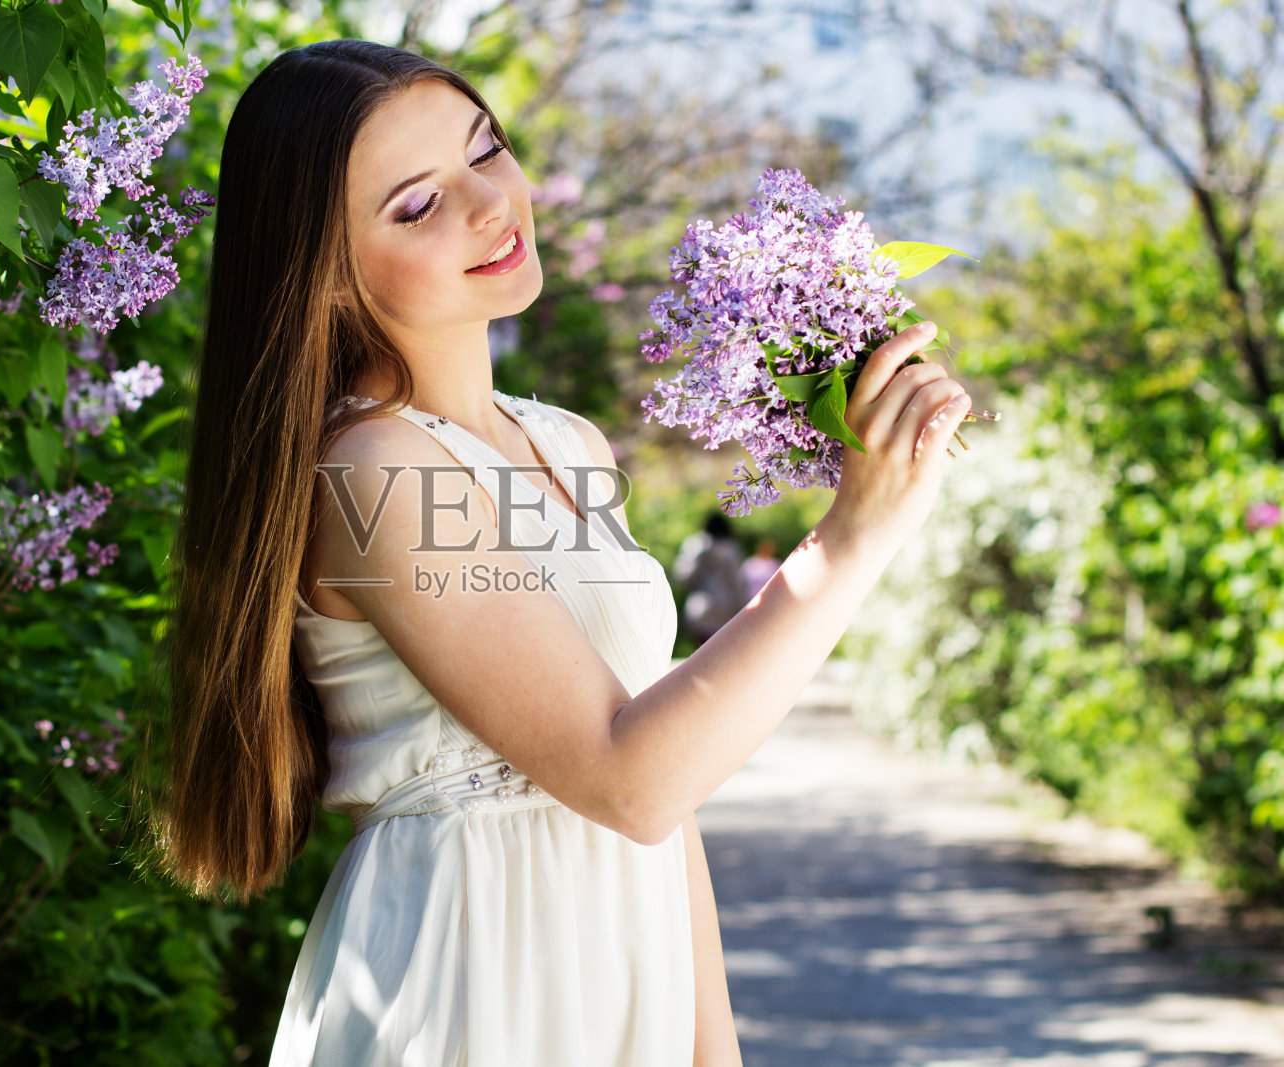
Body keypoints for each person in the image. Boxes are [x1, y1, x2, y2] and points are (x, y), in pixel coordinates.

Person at [135, 38, 972, 1067]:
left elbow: (669, 778)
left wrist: (714, 1046)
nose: (489, 204)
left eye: (486, 151)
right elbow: (627, 778)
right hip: (476, 978)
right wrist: (852, 535)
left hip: (629, 958)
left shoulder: (567, 442)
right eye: (416, 205)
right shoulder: (375, 470)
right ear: (328, 274)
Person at [672, 513, 748, 644]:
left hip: (701, 608)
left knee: (702, 650)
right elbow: (738, 583)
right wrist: (743, 609)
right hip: (727, 609)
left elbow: (682, 576)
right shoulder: (731, 549)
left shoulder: (695, 544)